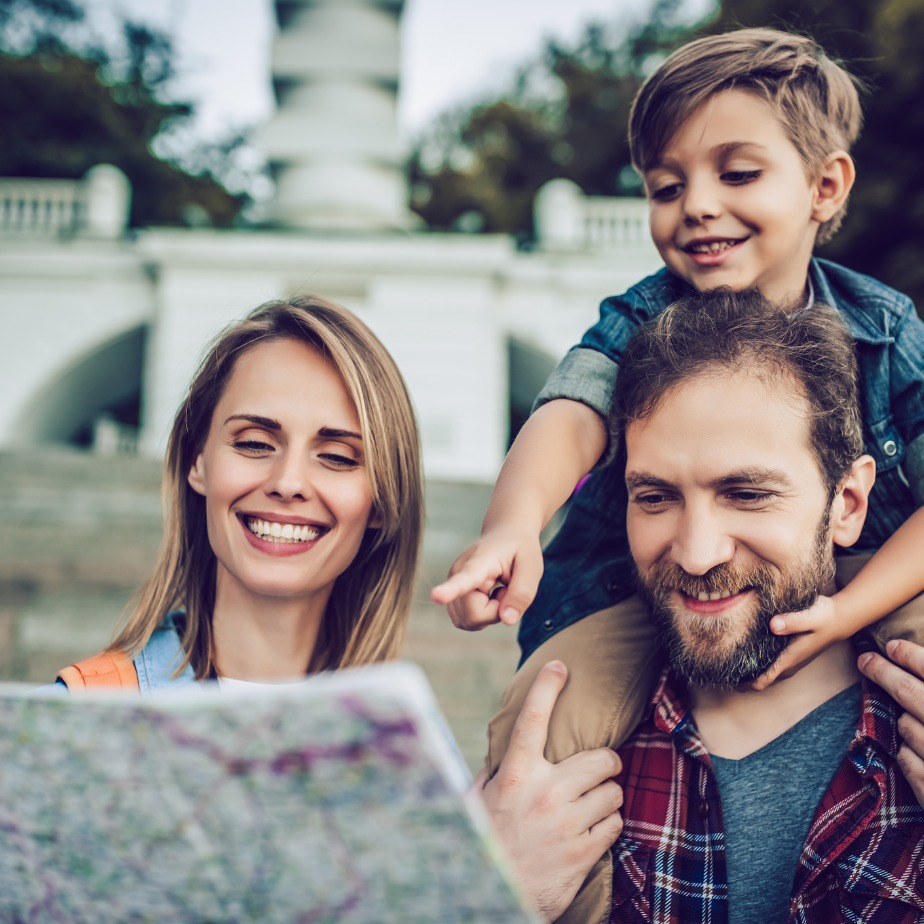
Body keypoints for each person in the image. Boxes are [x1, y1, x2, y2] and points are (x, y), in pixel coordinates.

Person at [49, 296, 626, 921]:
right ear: (198, 462)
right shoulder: (75, 724)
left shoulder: (412, 763)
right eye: (253, 442)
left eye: (338, 456)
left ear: (378, 500)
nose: (289, 481)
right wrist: (488, 899)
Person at [433, 28, 924, 750]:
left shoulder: (883, 326)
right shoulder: (640, 317)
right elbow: (570, 413)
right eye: (667, 186)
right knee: (549, 713)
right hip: (641, 591)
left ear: (825, 186)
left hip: (860, 572)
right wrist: (512, 526)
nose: (695, 205)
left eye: (736, 174)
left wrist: (850, 610)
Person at [482, 289, 924, 922]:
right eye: (656, 498)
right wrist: (493, 899)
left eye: (746, 494)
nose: (695, 553)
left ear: (847, 504)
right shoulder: (549, 768)